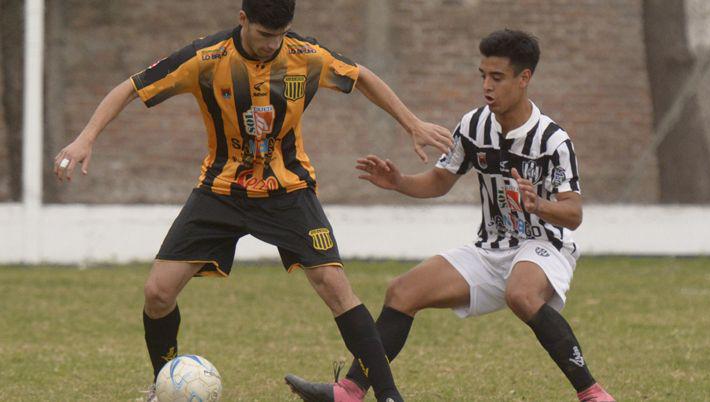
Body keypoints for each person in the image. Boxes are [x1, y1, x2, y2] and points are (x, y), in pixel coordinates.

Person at [53, 1, 454, 401]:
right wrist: (86, 137)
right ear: (243, 20)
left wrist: (412, 123)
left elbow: (362, 76)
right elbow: (131, 87)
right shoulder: (205, 58)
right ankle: (165, 385)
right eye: (264, 35)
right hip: (221, 192)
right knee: (158, 293)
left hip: (288, 190)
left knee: (334, 286)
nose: (272, 45)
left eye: (279, 35)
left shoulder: (305, 55)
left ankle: (387, 395)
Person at [285, 29, 615, 402]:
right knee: (402, 291)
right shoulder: (474, 126)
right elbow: (440, 181)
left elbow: (573, 215)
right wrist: (399, 182)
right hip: (490, 250)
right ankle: (350, 390)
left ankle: (592, 393)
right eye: (483, 76)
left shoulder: (553, 140)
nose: (487, 87)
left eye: (497, 77)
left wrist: (539, 205)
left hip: (544, 245)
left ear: (524, 79)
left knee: (521, 293)